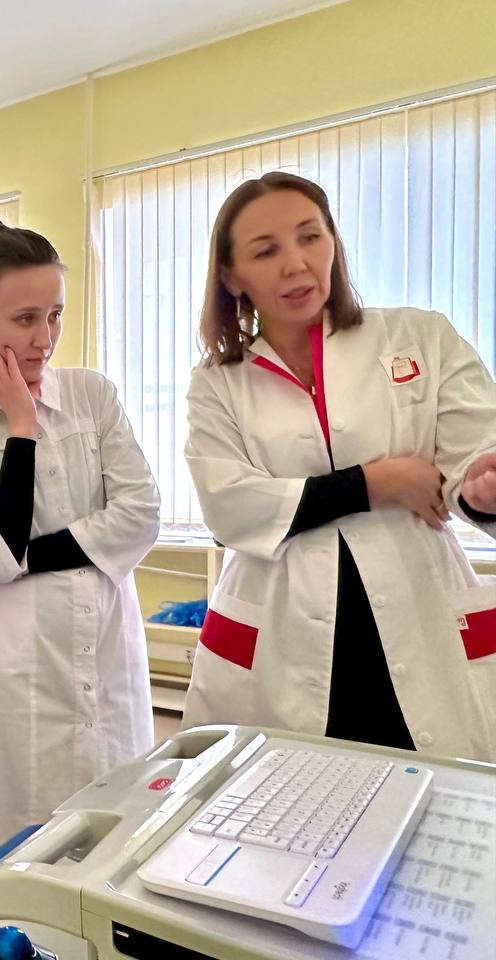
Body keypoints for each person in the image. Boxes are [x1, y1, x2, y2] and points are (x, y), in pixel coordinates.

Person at [182, 171, 496, 757]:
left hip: (420, 614)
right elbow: (230, 506)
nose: (296, 263)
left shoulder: (420, 337)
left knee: (437, 787)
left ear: (333, 241)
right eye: (266, 251)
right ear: (231, 276)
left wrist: (481, 489)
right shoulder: (218, 383)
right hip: (280, 632)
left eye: (310, 237)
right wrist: (378, 482)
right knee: (284, 798)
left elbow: (472, 454)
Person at [0, 217, 160, 866]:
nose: (44, 339)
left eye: (54, 316)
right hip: (12, 677)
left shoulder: (92, 397)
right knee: (14, 862)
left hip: (104, 655)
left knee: (118, 849)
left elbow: (141, 515)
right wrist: (21, 429)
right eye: (25, 319)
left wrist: (28, 559)